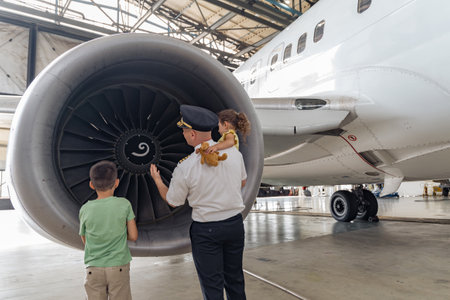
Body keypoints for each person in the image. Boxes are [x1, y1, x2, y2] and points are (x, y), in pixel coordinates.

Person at [150, 104, 248, 300]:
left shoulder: (186, 166)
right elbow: (243, 181)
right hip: (234, 225)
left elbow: (173, 201)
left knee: (212, 287)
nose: (184, 135)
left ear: (193, 134)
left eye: (185, 131)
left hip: (207, 231)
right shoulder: (235, 154)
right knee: (235, 280)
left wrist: (158, 181)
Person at [79, 160, 138, 300]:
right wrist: (120, 234)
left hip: (93, 268)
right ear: (116, 183)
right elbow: (134, 236)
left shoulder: (85, 209)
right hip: (118, 266)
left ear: (91, 184)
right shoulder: (124, 204)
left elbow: (84, 237)